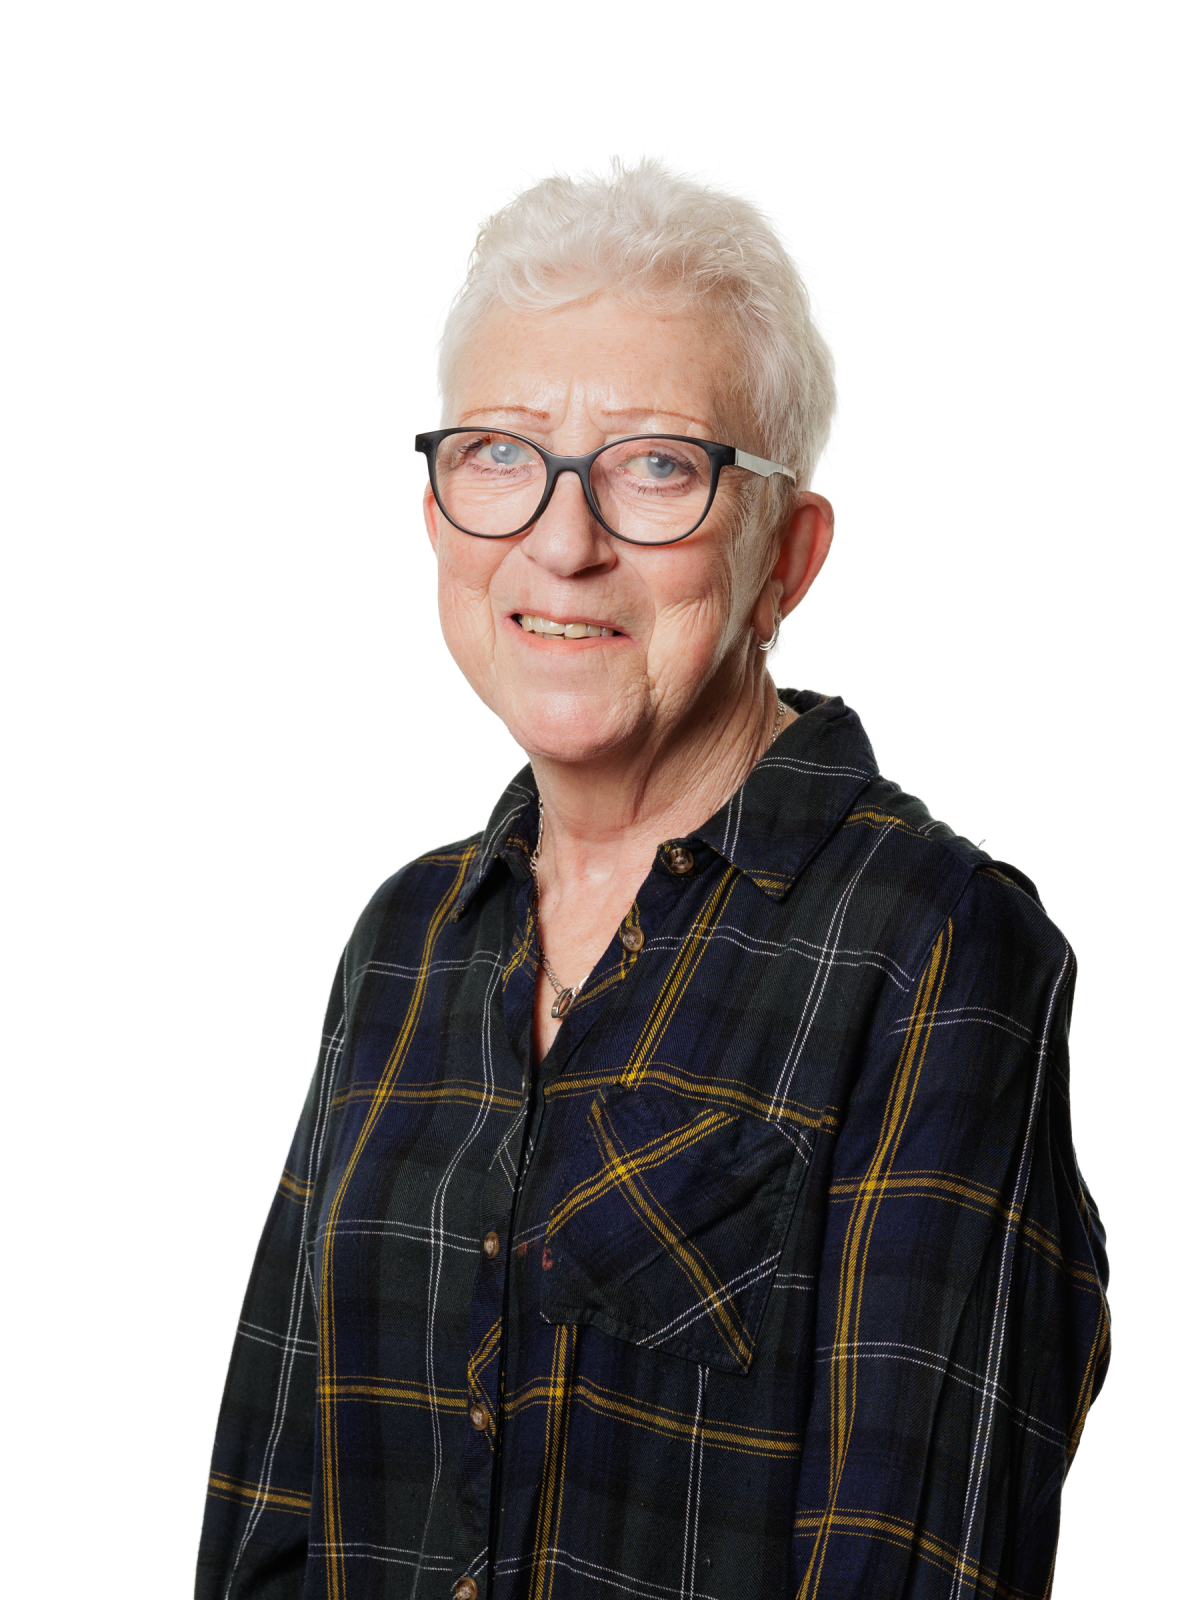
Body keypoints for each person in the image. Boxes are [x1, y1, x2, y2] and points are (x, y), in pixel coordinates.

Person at [195, 155, 1109, 1600]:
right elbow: (267, 1514)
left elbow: (912, 1563)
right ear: (437, 516)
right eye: (501, 454)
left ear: (785, 556)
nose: (564, 544)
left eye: (658, 466)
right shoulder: (404, 937)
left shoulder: (937, 943)